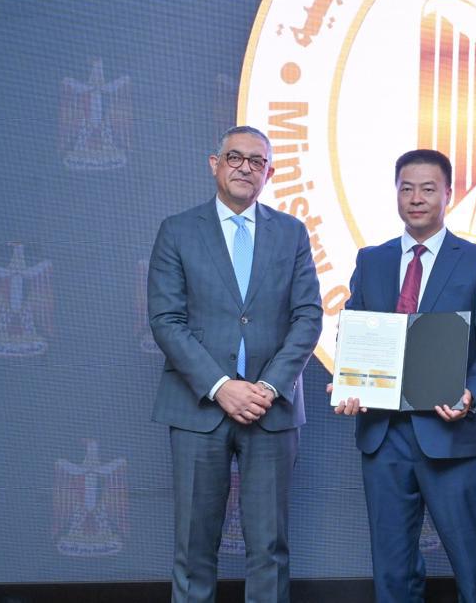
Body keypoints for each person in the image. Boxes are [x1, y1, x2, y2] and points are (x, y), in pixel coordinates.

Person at [148, 126, 322, 603]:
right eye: (234, 157)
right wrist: (221, 385)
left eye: (257, 161)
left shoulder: (292, 233)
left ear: (270, 173)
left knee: (269, 548)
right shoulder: (178, 230)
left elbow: (308, 317)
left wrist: (269, 387)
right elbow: (166, 320)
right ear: (214, 164)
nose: (245, 167)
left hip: (272, 409)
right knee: (193, 546)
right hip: (198, 409)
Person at [330, 149, 476, 603]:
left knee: (474, 563)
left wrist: (472, 394)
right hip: (383, 435)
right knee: (392, 569)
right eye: (406, 188)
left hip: (451, 431)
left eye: (428, 189)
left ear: (448, 193)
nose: (416, 198)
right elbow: (355, 328)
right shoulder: (371, 260)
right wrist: (348, 382)